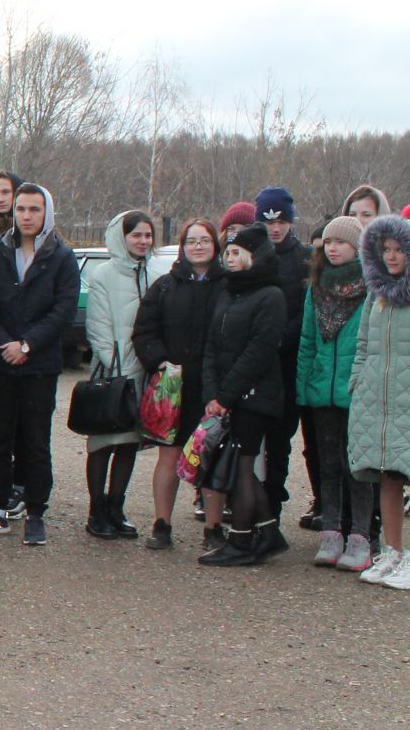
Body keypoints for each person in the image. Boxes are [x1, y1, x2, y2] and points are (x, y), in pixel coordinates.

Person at [0, 184, 79, 545]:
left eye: (34, 209)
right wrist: (6, 344)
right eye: (21, 209)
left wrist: (28, 344)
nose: (27, 216)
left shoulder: (61, 257)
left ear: (47, 212)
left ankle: (35, 512)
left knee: (35, 441)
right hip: (0, 363)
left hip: (39, 365)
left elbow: (63, 311)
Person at [197, 221, 290, 566]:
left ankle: (240, 539)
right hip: (227, 395)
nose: (230, 259)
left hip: (255, 396)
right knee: (242, 465)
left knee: (243, 464)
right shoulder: (227, 293)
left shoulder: (271, 296)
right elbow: (211, 346)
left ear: (256, 256)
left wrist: (225, 396)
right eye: (228, 252)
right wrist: (212, 394)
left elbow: (259, 351)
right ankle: (267, 534)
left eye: (238, 253)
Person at [132, 218, 225, 550]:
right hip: (174, 388)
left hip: (214, 387)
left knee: (211, 456)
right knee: (169, 458)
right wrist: (160, 361)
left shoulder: (228, 285)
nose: (197, 247)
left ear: (216, 245)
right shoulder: (166, 286)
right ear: (182, 247)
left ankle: (214, 527)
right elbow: (144, 330)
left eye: (204, 241)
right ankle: (162, 524)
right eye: (191, 241)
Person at [296, 216, 373, 569]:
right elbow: (308, 341)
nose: (333, 248)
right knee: (327, 464)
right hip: (321, 392)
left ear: (356, 247)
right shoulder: (317, 288)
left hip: (356, 393)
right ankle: (330, 532)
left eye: (340, 242)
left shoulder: (371, 287)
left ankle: (360, 536)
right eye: (328, 243)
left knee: (355, 467)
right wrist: (304, 386)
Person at [82, 210, 161, 538]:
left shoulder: (155, 274)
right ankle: (96, 509)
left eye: (147, 235)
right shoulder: (103, 274)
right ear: (122, 236)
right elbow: (98, 328)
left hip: (143, 372)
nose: (143, 241)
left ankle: (116, 506)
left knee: (129, 444)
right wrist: (119, 368)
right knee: (102, 443)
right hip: (112, 373)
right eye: (136, 235)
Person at [349, 214, 410, 588]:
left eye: (399, 249)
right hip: (381, 401)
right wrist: (358, 382)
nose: (392, 256)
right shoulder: (378, 294)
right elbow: (362, 344)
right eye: (386, 249)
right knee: (388, 475)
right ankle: (393, 551)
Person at [253, 186, 312, 527]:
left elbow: (306, 312)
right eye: (268, 221)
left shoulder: (304, 258)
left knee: (279, 442)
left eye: (281, 221)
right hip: (255, 365)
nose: (275, 228)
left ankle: (271, 509)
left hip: (287, 363)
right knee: (248, 443)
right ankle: (247, 507)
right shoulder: (251, 253)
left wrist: (276, 342)